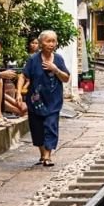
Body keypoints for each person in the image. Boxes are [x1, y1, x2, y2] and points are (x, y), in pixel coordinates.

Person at [16, 30, 70, 166]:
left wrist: (55, 69)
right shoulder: (33, 60)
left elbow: (66, 78)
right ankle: (42, 154)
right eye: (48, 41)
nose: (51, 44)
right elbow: (23, 76)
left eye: (54, 41)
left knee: (51, 126)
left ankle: (47, 156)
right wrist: (18, 93)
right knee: (37, 129)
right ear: (41, 43)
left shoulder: (58, 59)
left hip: (53, 101)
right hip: (35, 101)